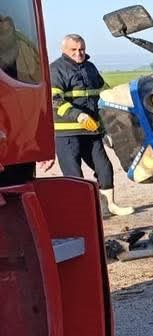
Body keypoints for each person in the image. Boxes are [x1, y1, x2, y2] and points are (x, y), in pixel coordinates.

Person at [49, 33, 133, 216]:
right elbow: (53, 99)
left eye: (82, 49)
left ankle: (108, 207)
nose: (79, 53)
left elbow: (103, 92)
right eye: (74, 50)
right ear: (64, 50)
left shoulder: (90, 67)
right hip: (67, 133)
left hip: (92, 129)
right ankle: (80, 213)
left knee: (104, 168)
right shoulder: (56, 69)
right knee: (74, 176)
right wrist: (77, 115)